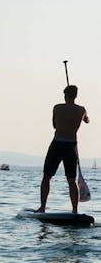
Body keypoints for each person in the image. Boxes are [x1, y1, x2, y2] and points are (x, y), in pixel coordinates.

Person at [36, 85, 89, 213]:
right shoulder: (81, 110)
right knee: (71, 180)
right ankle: (74, 210)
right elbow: (87, 120)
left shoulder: (57, 108)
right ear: (76, 96)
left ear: (65, 95)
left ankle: (43, 207)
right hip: (71, 146)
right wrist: (83, 116)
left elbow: (55, 125)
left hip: (57, 144)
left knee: (47, 177)